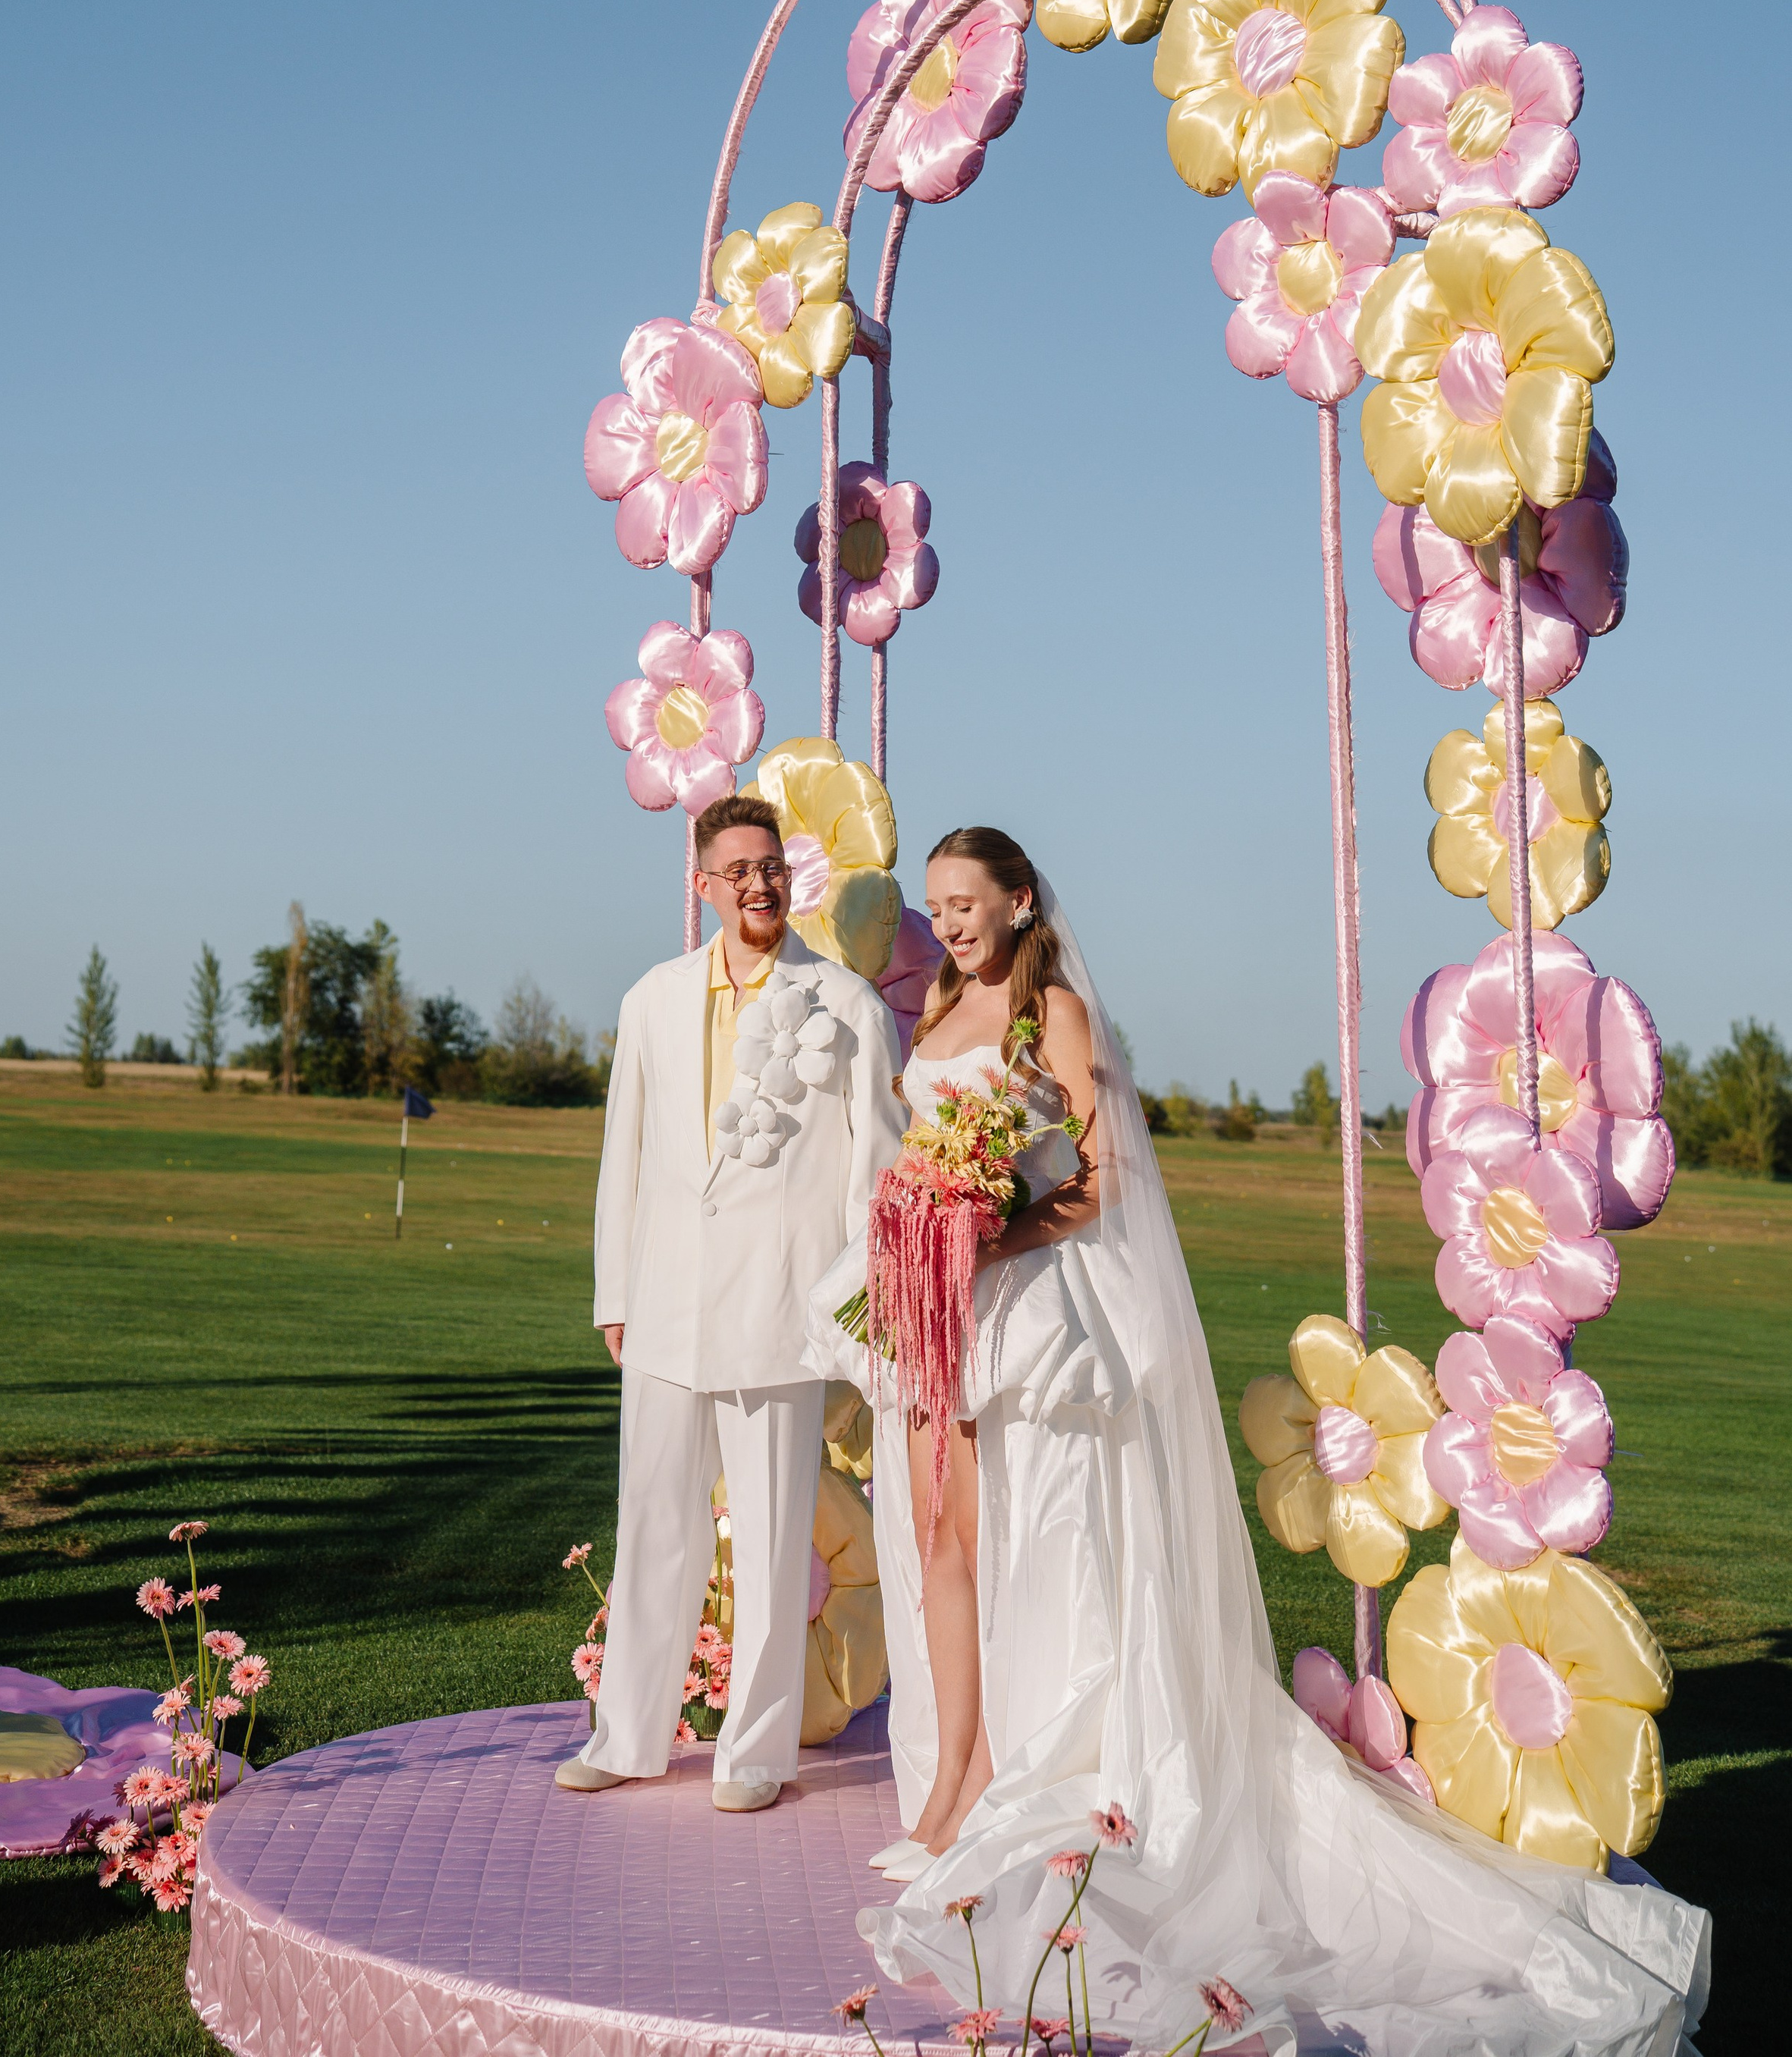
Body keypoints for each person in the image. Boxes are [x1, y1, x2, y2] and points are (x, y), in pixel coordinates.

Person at [829, 826, 1709, 2057]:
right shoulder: (933, 1014)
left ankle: (988, 1783)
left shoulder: (1057, 1016)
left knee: (1011, 1537)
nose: (953, 924)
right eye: (939, 906)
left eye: (968, 903)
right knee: (939, 1538)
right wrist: (920, 1223)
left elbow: (1099, 1181)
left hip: (1025, 1309)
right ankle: (949, 1781)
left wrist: (994, 1233)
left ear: (1022, 902)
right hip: (941, 1312)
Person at [561, 793, 902, 1812]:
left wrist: (850, 1312)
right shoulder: (650, 1000)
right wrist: (614, 1293)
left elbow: (874, 1176)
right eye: (737, 869)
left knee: (769, 1537)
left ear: (787, 879)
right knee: (651, 1526)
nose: (758, 883)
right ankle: (626, 1737)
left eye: (771, 867)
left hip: (782, 1312)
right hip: (665, 1307)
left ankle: (755, 1754)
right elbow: (623, 1156)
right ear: (702, 884)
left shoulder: (846, 1007)